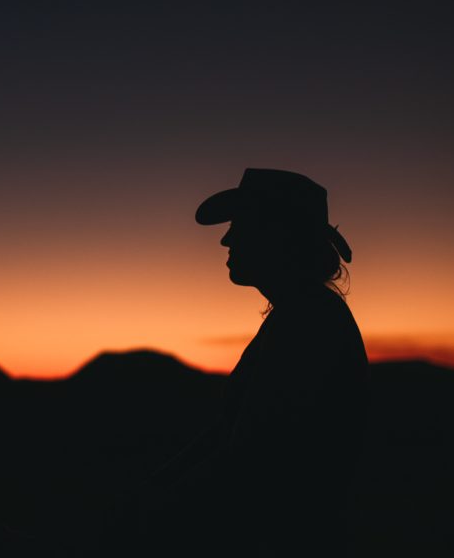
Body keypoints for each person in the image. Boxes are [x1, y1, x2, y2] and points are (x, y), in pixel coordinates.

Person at [142, 168, 369, 556]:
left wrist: (148, 513)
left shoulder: (307, 325)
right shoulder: (302, 315)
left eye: (241, 225)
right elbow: (227, 434)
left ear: (278, 234)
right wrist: (153, 491)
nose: (226, 239)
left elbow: (250, 461)